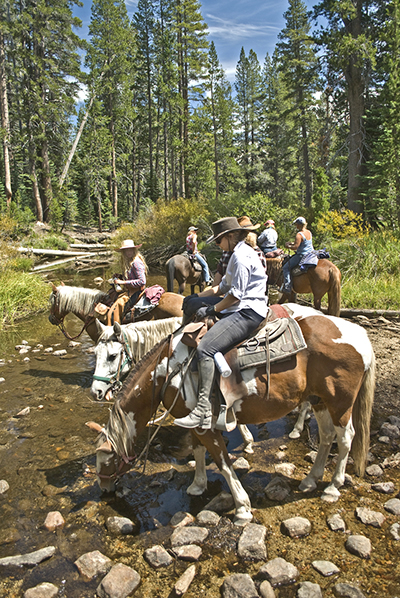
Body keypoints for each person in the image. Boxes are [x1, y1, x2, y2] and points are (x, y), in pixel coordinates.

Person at [174, 217, 268, 430]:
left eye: (218, 241)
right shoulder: (237, 254)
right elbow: (223, 287)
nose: (217, 245)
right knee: (193, 303)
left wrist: (211, 309)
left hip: (248, 311)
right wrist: (199, 297)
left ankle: (203, 411)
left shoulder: (242, 257)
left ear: (230, 237)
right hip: (240, 305)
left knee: (206, 348)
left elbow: (235, 295)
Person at [281, 217, 314, 294]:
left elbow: (295, 247)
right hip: (310, 253)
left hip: (302, 255)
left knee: (286, 267)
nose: (296, 226)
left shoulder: (299, 235)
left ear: (299, 225)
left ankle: (287, 286)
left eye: (296, 224)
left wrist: (288, 246)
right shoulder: (308, 232)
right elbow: (302, 243)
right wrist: (292, 243)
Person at [113, 239, 147, 312]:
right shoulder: (129, 262)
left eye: (130, 250)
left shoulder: (136, 262)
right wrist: (121, 276)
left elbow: (142, 281)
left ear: (134, 250)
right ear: (123, 252)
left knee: (119, 309)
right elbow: (132, 276)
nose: (128, 252)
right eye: (126, 250)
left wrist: (123, 282)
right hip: (131, 291)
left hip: (137, 292)